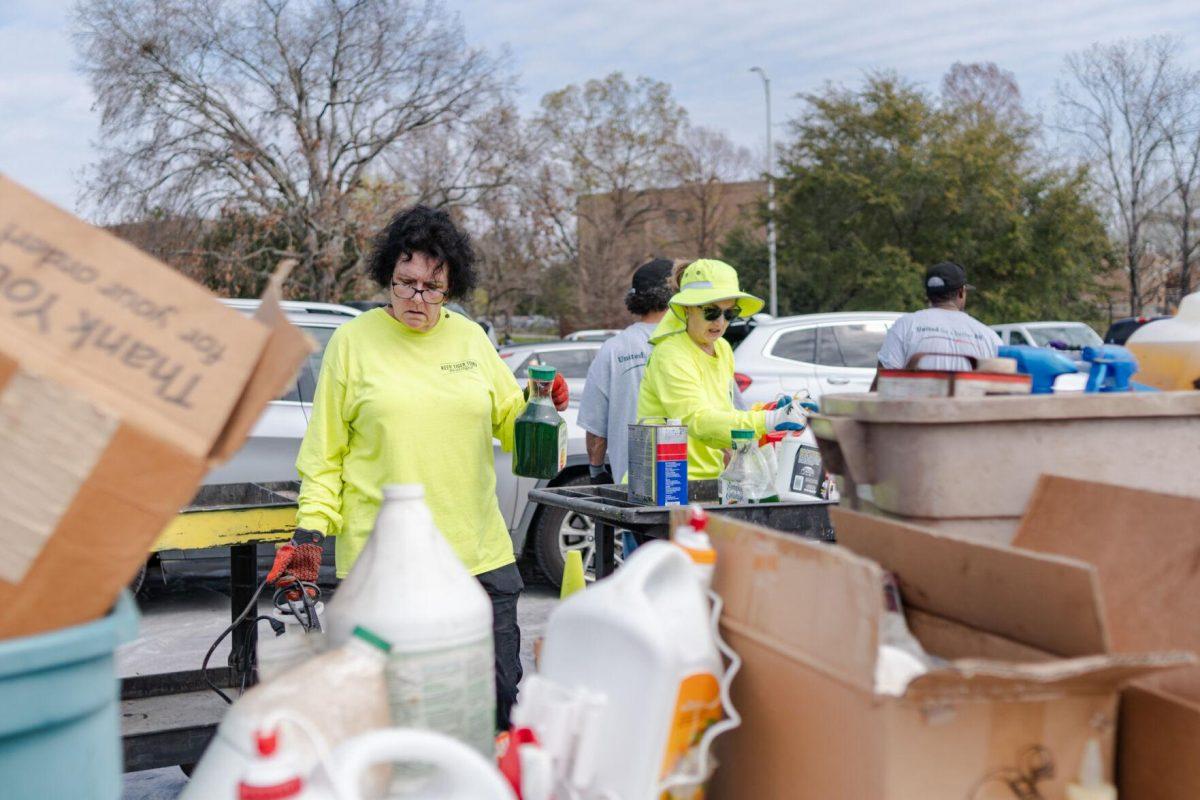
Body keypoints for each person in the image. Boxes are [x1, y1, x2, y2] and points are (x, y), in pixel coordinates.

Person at [268, 205, 568, 730]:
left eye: (434, 287)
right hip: (388, 566)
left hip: (477, 552)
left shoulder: (470, 339)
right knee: (397, 712)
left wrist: (539, 403)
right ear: (388, 276)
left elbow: (509, 425)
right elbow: (325, 454)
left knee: (495, 700)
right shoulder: (352, 343)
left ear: (451, 286)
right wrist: (310, 533)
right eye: (406, 284)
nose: (418, 300)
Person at [638, 259, 808, 480]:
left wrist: (767, 410)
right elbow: (698, 421)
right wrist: (768, 420)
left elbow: (722, 416)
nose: (720, 321)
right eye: (711, 311)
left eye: (730, 313)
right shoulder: (670, 354)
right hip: (664, 484)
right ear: (686, 309)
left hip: (708, 481)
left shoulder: (723, 348)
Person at [578, 258, 675, 486]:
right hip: (699, 490)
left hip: (632, 490)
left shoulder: (614, 349)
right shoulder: (699, 346)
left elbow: (596, 428)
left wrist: (597, 471)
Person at [876, 261, 1001, 375]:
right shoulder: (989, 336)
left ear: (928, 294)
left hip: (916, 400)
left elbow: (883, 381)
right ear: (961, 292)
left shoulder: (904, 326)